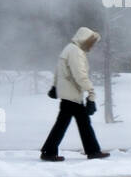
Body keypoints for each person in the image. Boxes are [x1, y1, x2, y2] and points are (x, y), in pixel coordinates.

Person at [40, 26, 108, 161]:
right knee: (79, 124)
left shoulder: (69, 49)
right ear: (84, 39)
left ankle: (49, 151)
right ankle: (92, 151)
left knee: (74, 123)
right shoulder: (75, 52)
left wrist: (55, 86)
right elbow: (80, 75)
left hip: (69, 94)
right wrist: (91, 92)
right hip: (72, 95)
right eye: (91, 42)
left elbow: (58, 70)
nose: (92, 45)